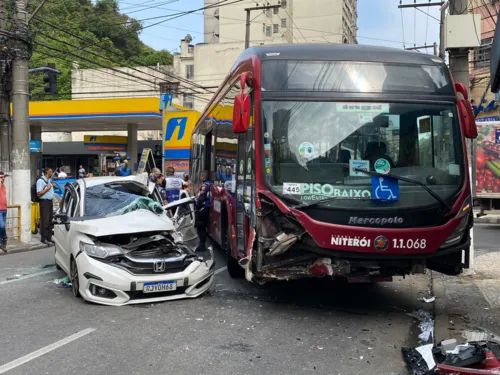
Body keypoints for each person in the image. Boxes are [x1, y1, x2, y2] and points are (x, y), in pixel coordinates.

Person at [194, 171, 212, 252]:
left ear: (203, 177)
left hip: (203, 208)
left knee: (200, 227)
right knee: (203, 227)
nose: (200, 178)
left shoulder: (205, 185)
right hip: (208, 207)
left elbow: (202, 197)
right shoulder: (211, 184)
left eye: (201, 176)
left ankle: (202, 246)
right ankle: (201, 245)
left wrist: (197, 206)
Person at [36, 168, 55, 246]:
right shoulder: (40, 181)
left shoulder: (49, 180)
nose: (52, 173)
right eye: (51, 172)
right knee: (45, 220)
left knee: (50, 220)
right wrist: (48, 188)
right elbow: (38, 193)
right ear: (47, 172)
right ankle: (43, 238)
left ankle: (49, 237)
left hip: (49, 202)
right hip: (44, 202)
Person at [0, 172, 8, 252]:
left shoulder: (4, 186)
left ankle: (1, 243)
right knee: (1, 226)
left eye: (3, 177)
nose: (3, 179)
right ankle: (4, 238)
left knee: (1, 227)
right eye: (1, 177)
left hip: (4, 209)